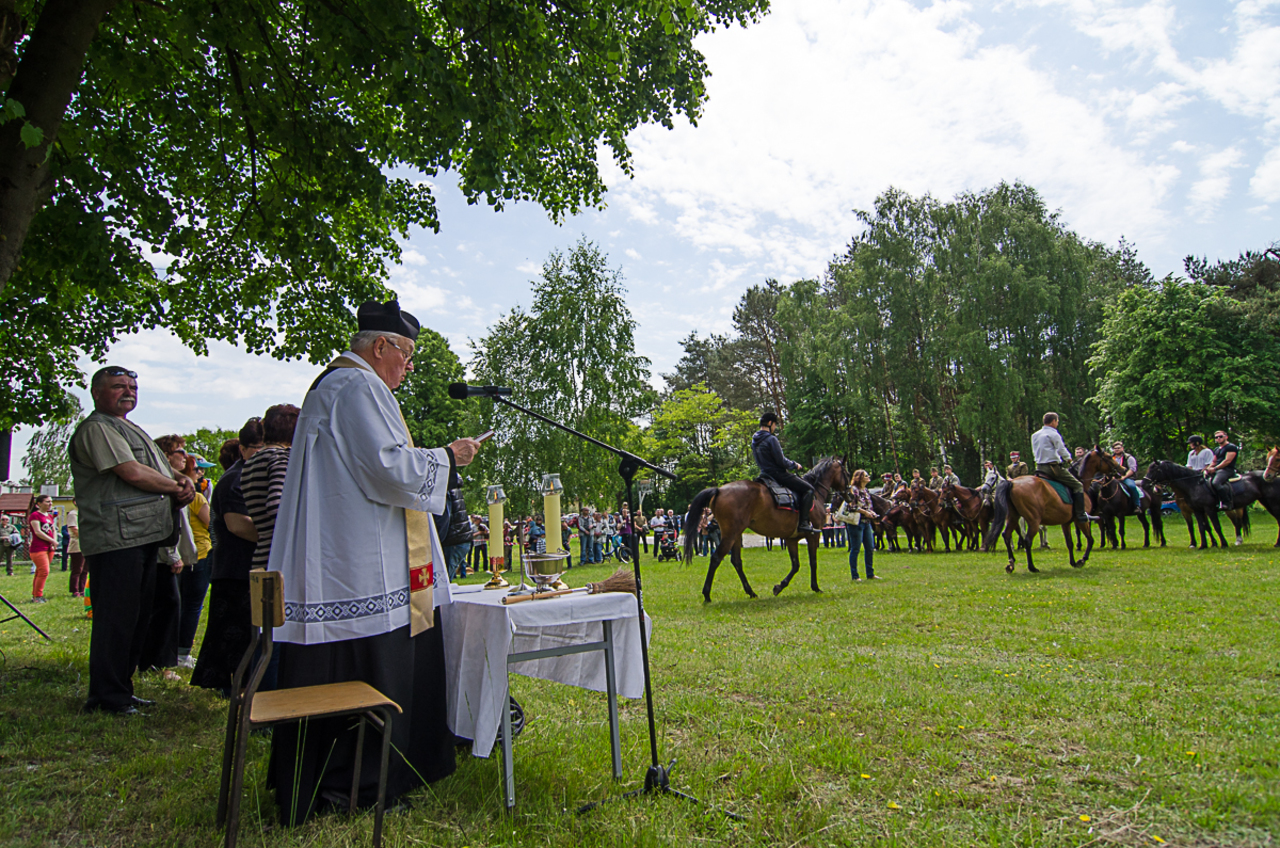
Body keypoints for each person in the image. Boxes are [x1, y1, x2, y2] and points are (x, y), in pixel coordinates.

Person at [268, 300, 481, 825]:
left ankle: (370, 774)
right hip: (352, 565)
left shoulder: (345, 385)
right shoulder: (358, 387)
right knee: (364, 668)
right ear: (380, 346)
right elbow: (388, 469)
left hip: (350, 551)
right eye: (406, 357)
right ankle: (356, 783)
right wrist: (449, 457)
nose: (408, 369)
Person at [69, 365, 195, 715]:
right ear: (96, 392)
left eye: (133, 387)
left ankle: (122, 689)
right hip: (115, 540)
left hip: (139, 538)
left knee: (136, 618)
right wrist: (176, 487)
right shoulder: (97, 428)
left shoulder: (127, 427)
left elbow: (158, 468)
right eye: (118, 386)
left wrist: (179, 480)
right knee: (117, 620)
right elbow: (131, 471)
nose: (128, 392)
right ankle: (107, 697)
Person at [191, 421, 264, 695]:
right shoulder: (235, 479)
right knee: (231, 632)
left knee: (246, 632)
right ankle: (229, 685)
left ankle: (240, 682)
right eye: (259, 448)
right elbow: (237, 524)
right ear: (243, 450)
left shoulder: (253, 474)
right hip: (235, 568)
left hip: (246, 565)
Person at [176, 452, 215, 669]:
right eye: (198, 469)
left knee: (179, 605)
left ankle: (172, 650)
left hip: (179, 556)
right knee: (192, 607)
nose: (201, 474)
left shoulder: (175, 494)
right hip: (199, 555)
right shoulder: (196, 498)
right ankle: (183, 654)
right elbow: (212, 524)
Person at [752, 412, 814, 533]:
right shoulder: (771, 439)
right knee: (809, 489)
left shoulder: (754, 441)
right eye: (774, 425)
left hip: (764, 474)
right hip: (778, 475)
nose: (774, 428)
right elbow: (781, 461)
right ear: (770, 423)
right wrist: (794, 465)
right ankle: (804, 523)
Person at [1031, 412, 1096, 524]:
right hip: (1053, 468)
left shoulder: (1035, 435)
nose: (1057, 424)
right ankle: (1081, 514)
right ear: (1053, 421)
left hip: (1039, 467)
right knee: (1078, 485)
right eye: (1057, 422)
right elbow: (1061, 449)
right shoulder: (1054, 434)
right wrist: (1069, 459)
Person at [836, 469, 876, 580]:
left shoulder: (866, 490)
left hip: (866, 523)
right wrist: (865, 512)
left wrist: (871, 512)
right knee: (856, 549)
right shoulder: (854, 490)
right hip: (856, 524)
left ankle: (870, 573)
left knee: (870, 548)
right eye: (866, 475)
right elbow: (851, 506)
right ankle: (855, 575)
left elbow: (868, 505)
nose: (868, 477)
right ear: (860, 478)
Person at [27, 493, 57, 603]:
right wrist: (52, 540)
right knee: (44, 571)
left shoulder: (49, 516)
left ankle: (35, 595)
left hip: (49, 548)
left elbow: (53, 529)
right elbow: (38, 531)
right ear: (39, 504)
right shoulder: (35, 515)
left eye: (51, 501)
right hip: (39, 547)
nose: (50, 504)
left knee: (40, 572)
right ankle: (38, 596)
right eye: (47, 501)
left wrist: (54, 540)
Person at [1204, 430, 1239, 511]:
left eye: (1221, 436)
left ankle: (1226, 502)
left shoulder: (1231, 447)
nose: (1218, 438)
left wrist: (1215, 468)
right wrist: (1208, 469)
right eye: (1216, 437)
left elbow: (1227, 461)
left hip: (1227, 470)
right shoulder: (1217, 449)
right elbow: (1214, 461)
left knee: (1216, 482)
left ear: (1226, 437)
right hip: (1217, 469)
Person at [1110, 441, 1142, 512]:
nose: (1117, 449)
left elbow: (1132, 469)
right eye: (1115, 448)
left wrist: (1124, 477)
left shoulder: (1129, 458)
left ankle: (1137, 505)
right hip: (1114, 478)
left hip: (1127, 477)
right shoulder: (1111, 458)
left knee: (1132, 487)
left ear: (1122, 448)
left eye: (1118, 448)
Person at [66, 498, 86, 596]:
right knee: (78, 568)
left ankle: (82, 589)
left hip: (87, 545)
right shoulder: (73, 514)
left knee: (85, 569)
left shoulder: (85, 513)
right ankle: (75, 590)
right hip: (77, 544)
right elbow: (74, 529)